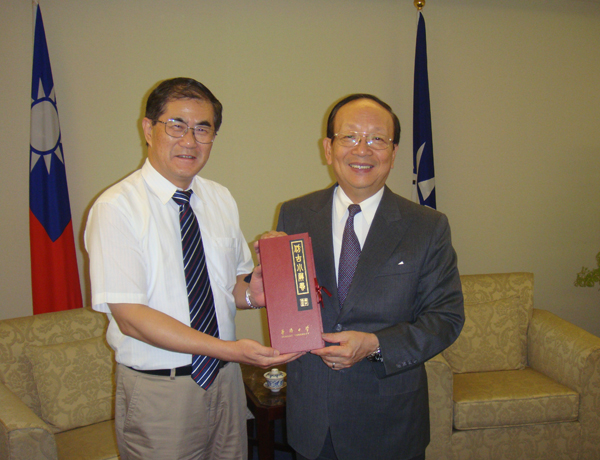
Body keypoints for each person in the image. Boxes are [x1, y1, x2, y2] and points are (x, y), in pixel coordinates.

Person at [85, 77, 299, 460]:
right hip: (161, 392)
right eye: (176, 125)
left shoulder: (220, 198)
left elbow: (230, 287)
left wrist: (255, 291)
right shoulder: (116, 208)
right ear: (148, 129)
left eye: (203, 129)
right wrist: (229, 350)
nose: (189, 140)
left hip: (226, 382)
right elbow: (131, 318)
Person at [273, 94, 465, 460]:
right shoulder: (295, 214)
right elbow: (289, 301)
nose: (362, 149)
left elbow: (446, 318)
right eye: (349, 137)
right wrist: (265, 281)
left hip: (389, 421)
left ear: (393, 152)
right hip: (313, 418)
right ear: (328, 148)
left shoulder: (427, 226)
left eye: (377, 139)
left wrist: (375, 344)